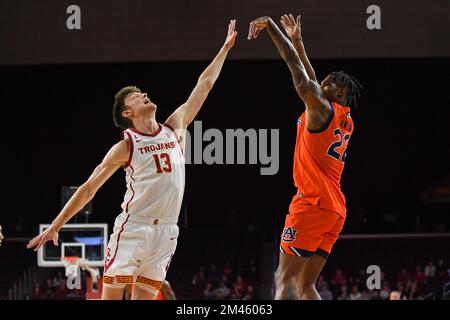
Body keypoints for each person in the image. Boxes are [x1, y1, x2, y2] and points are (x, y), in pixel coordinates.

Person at [27, 19, 238, 300]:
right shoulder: (126, 145)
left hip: (166, 231)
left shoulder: (174, 127)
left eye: (143, 93)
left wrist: (223, 49)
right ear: (128, 114)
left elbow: (205, 85)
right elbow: (89, 188)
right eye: (138, 97)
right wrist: (56, 225)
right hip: (134, 228)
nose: (145, 95)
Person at [247, 14, 362, 300]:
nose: (319, 82)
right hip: (335, 208)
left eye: (326, 82)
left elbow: (295, 66)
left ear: (334, 91)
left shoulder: (320, 106)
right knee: (305, 285)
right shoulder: (343, 118)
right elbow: (311, 78)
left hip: (312, 202)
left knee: (283, 278)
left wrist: (272, 28)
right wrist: (298, 40)